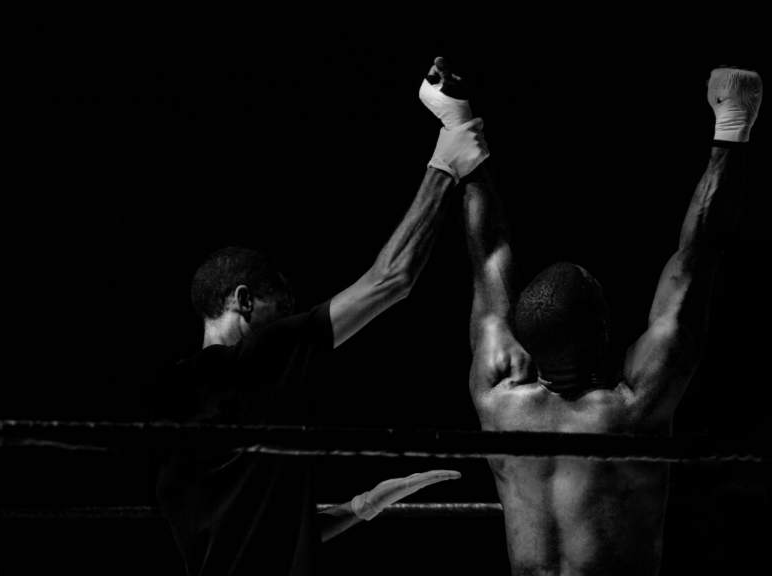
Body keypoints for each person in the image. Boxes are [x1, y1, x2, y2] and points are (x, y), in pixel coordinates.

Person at [151, 58, 489, 575]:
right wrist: (448, 154)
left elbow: (256, 535)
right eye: (282, 310)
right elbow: (389, 281)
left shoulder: (178, 403)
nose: (291, 322)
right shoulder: (257, 360)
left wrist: (359, 507)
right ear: (243, 302)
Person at [448, 56, 760, 575]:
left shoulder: (496, 401)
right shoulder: (632, 414)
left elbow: (488, 256)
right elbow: (697, 258)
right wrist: (732, 127)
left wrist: (458, 123)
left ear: (523, 340)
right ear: (605, 330)